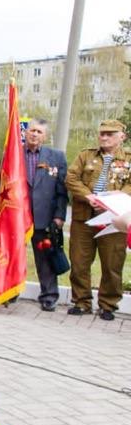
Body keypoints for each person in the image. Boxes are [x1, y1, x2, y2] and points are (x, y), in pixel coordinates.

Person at [65, 119, 130, 321]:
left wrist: (114, 199)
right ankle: (81, 302)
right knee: (79, 262)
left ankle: (108, 305)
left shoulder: (128, 158)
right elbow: (71, 178)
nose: (104, 137)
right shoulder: (86, 155)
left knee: (112, 264)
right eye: (102, 133)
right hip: (84, 217)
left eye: (110, 134)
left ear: (122, 137)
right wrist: (89, 196)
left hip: (113, 219)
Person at [24, 119, 68, 311]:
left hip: (45, 216)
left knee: (45, 258)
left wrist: (59, 216)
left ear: (45, 136)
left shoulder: (57, 156)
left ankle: (49, 296)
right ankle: (10, 292)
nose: (35, 134)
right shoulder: (14, 154)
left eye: (39, 132)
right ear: (26, 132)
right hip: (19, 216)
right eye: (32, 130)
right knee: (13, 256)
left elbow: (62, 191)